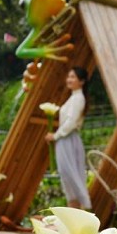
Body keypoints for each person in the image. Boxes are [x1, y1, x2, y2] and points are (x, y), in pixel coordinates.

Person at [45, 67, 91, 209]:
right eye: (68, 76)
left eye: (73, 77)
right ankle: (73, 209)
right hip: (64, 140)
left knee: (70, 175)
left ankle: (76, 210)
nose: (69, 79)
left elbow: (71, 122)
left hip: (69, 140)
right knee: (67, 175)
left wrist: (55, 135)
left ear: (81, 81)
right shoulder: (73, 97)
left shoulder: (78, 98)